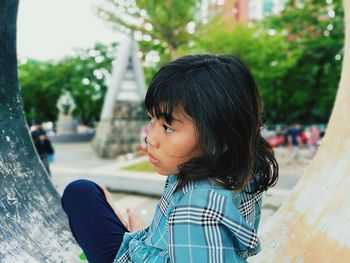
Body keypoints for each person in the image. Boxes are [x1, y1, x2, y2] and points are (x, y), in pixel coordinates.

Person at [61, 54, 279, 262]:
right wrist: (145, 236)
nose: (151, 138)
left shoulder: (196, 212)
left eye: (167, 127)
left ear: (221, 135)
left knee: (80, 193)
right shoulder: (244, 168)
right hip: (152, 250)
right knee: (92, 193)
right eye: (151, 119)